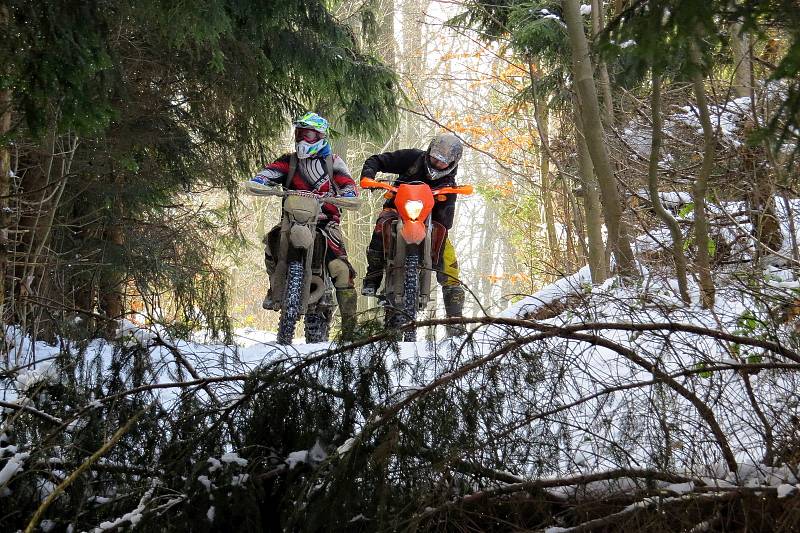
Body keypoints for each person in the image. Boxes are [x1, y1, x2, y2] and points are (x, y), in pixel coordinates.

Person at [250, 112, 358, 337]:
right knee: (272, 240)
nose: (303, 140)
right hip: (291, 222)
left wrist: (348, 193)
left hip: (325, 223)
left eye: (308, 135)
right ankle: (275, 287)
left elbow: (346, 182)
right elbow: (269, 173)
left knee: (340, 268)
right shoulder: (289, 161)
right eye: (300, 134)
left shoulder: (333, 162)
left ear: (320, 136)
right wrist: (260, 180)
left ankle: (350, 326)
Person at [359, 133, 465, 334]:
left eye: (443, 162)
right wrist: (369, 176)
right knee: (382, 226)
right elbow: (377, 160)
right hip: (397, 210)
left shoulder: (450, 184)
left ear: (452, 162)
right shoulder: (411, 158)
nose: (437, 163)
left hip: (429, 222)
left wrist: (442, 203)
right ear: (429, 152)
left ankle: (456, 322)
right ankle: (372, 276)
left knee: (448, 255)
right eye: (435, 158)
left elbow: (446, 222)